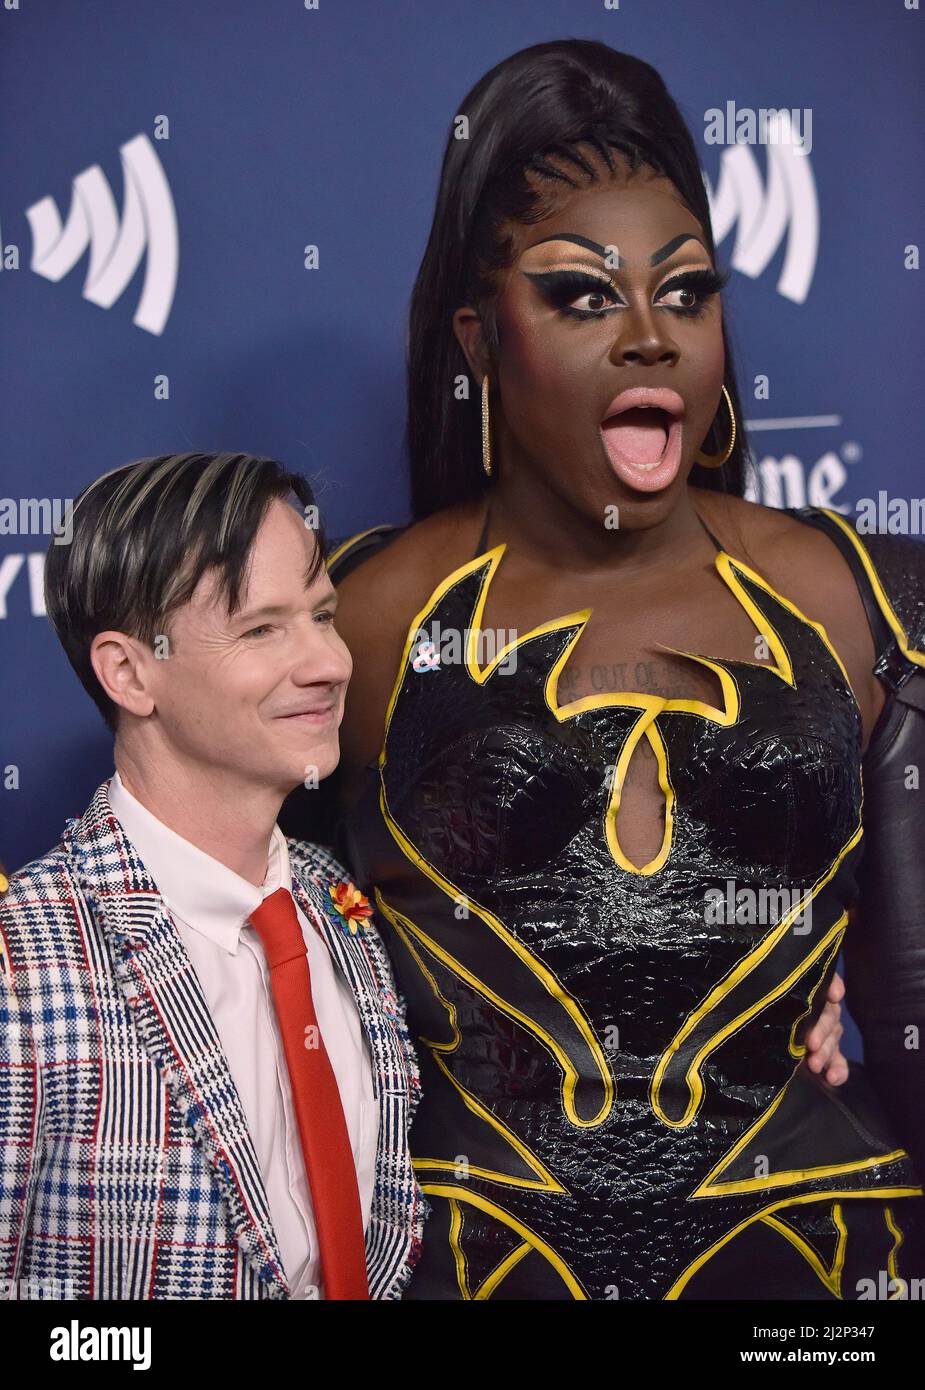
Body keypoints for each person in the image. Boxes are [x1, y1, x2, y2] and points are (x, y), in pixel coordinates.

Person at [282, 41, 925, 1299]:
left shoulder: (860, 600)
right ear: (479, 337)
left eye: (686, 295)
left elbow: (910, 1009)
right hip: (475, 1261)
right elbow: (259, 999)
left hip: (818, 1265)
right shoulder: (349, 619)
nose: (648, 338)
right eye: (582, 296)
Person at [0, 452, 424, 1300]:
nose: (330, 663)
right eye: (262, 628)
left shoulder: (336, 908)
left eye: (322, 616)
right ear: (129, 671)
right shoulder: (20, 967)